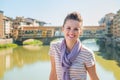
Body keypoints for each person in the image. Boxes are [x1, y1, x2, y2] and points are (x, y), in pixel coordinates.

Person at [48, 12, 99, 80]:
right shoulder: (54, 47)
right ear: (63, 29)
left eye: (76, 29)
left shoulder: (88, 54)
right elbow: (53, 73)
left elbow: (94, 78)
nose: (71, 32)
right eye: (68, 28)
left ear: (80, 31)